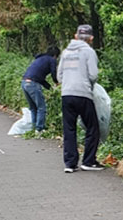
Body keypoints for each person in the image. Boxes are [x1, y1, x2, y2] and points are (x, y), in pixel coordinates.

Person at [57, 24, 103, 173]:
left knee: (69, 129)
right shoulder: (89, 52)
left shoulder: (65, 52)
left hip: (66, 94)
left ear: (75, 36)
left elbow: (59, 76)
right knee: (93, 127)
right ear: (91, 38)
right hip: (83, 94)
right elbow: (94, 75)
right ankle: (88, 161)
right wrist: (88, 85)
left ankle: (70, 164)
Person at [21, 45, 60, 136]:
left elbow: (40, 78)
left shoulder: (40, 59)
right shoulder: (51, 60)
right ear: (55, 55)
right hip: (33, 84)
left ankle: (34, 128)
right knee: (41, 107)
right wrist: (56, 82)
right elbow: (54, 73)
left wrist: (50, 88)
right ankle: (39, 129)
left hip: (24, 82)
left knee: (33, 107)